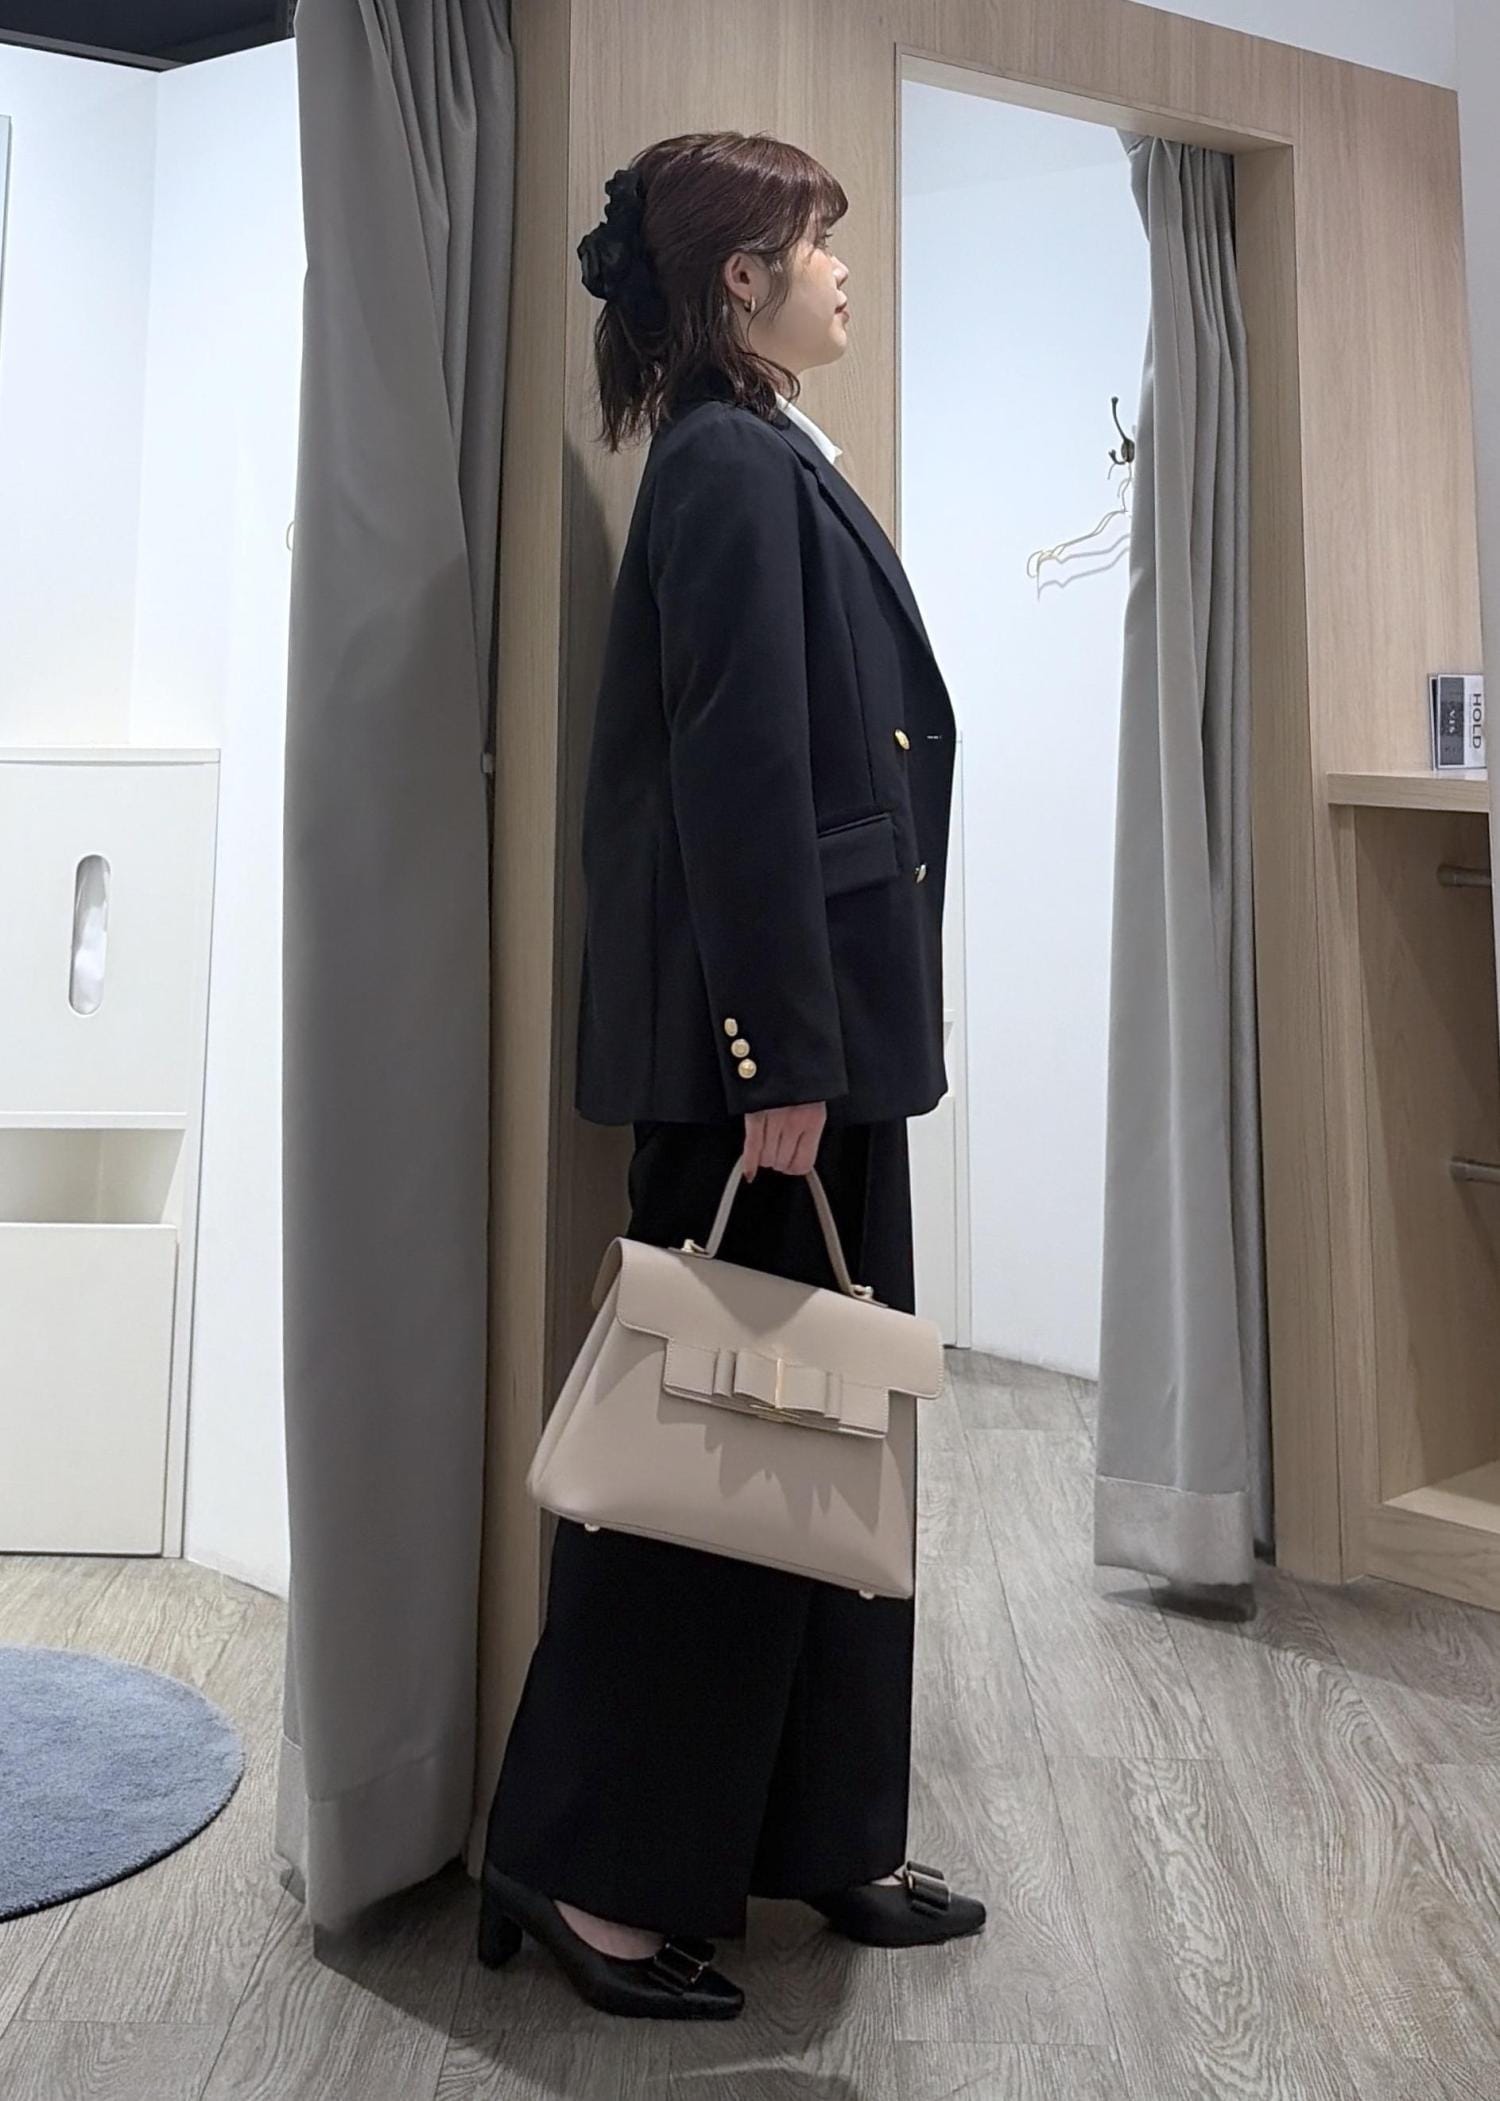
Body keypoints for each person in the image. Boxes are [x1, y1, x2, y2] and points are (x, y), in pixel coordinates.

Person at [477, 128, 985, 2021]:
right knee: (706, 1484)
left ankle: (826, 1830)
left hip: (824, 1053)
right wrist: (778, 1051)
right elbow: (741, 772)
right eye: (812, 241)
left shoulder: (761, 451)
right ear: (738, 282)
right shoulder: (720, 465)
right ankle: (585, 1874)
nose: (843, 268)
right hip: (767, 1067)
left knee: (823, 1459)